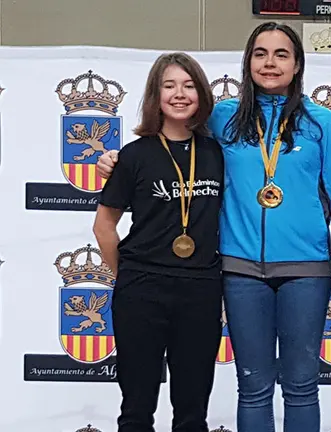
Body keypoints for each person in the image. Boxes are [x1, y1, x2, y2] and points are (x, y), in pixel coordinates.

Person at [96, 22, 331, 432]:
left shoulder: (320, 122)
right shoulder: (223, 117)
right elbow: (172, 141)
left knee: (301, 387)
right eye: (260, 53)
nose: (270, 63)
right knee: (252, 387)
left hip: (306, 270)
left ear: (297, 64)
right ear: (247, 62)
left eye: (281, 54)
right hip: (240, 271)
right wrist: (116, 160)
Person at [92, 52, 223, 432]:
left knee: (192, 413)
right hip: (142, 291)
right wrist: (129, 277)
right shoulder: (133, 155)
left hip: (200, 290)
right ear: (155, 95)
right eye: (169, 86)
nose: (179, 94)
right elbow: (104, 226)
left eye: (189, 86)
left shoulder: (217, 153)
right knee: (136, 410)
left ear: (201, 95)